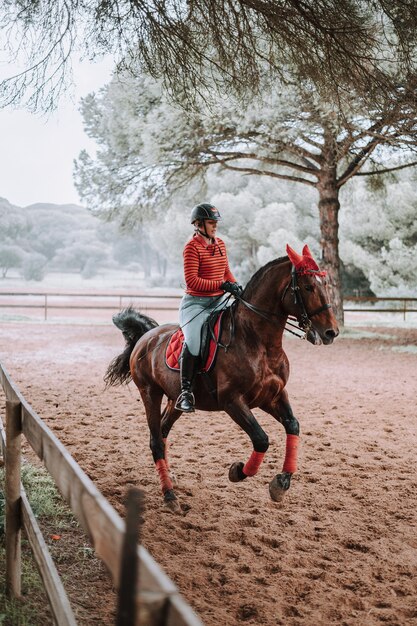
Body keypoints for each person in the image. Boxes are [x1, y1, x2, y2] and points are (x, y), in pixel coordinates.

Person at [175, 203, 243, 412]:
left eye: (215, 223)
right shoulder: (191, 247)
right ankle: (185, 392)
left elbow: (226, 271)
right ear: (198, 224)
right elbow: (193, 281)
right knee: (194, 341)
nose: (215, 226)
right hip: (195, 304)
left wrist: (236, 286)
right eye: (211, 223)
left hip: (218, 301)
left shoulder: (220, 244)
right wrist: (222, 285)